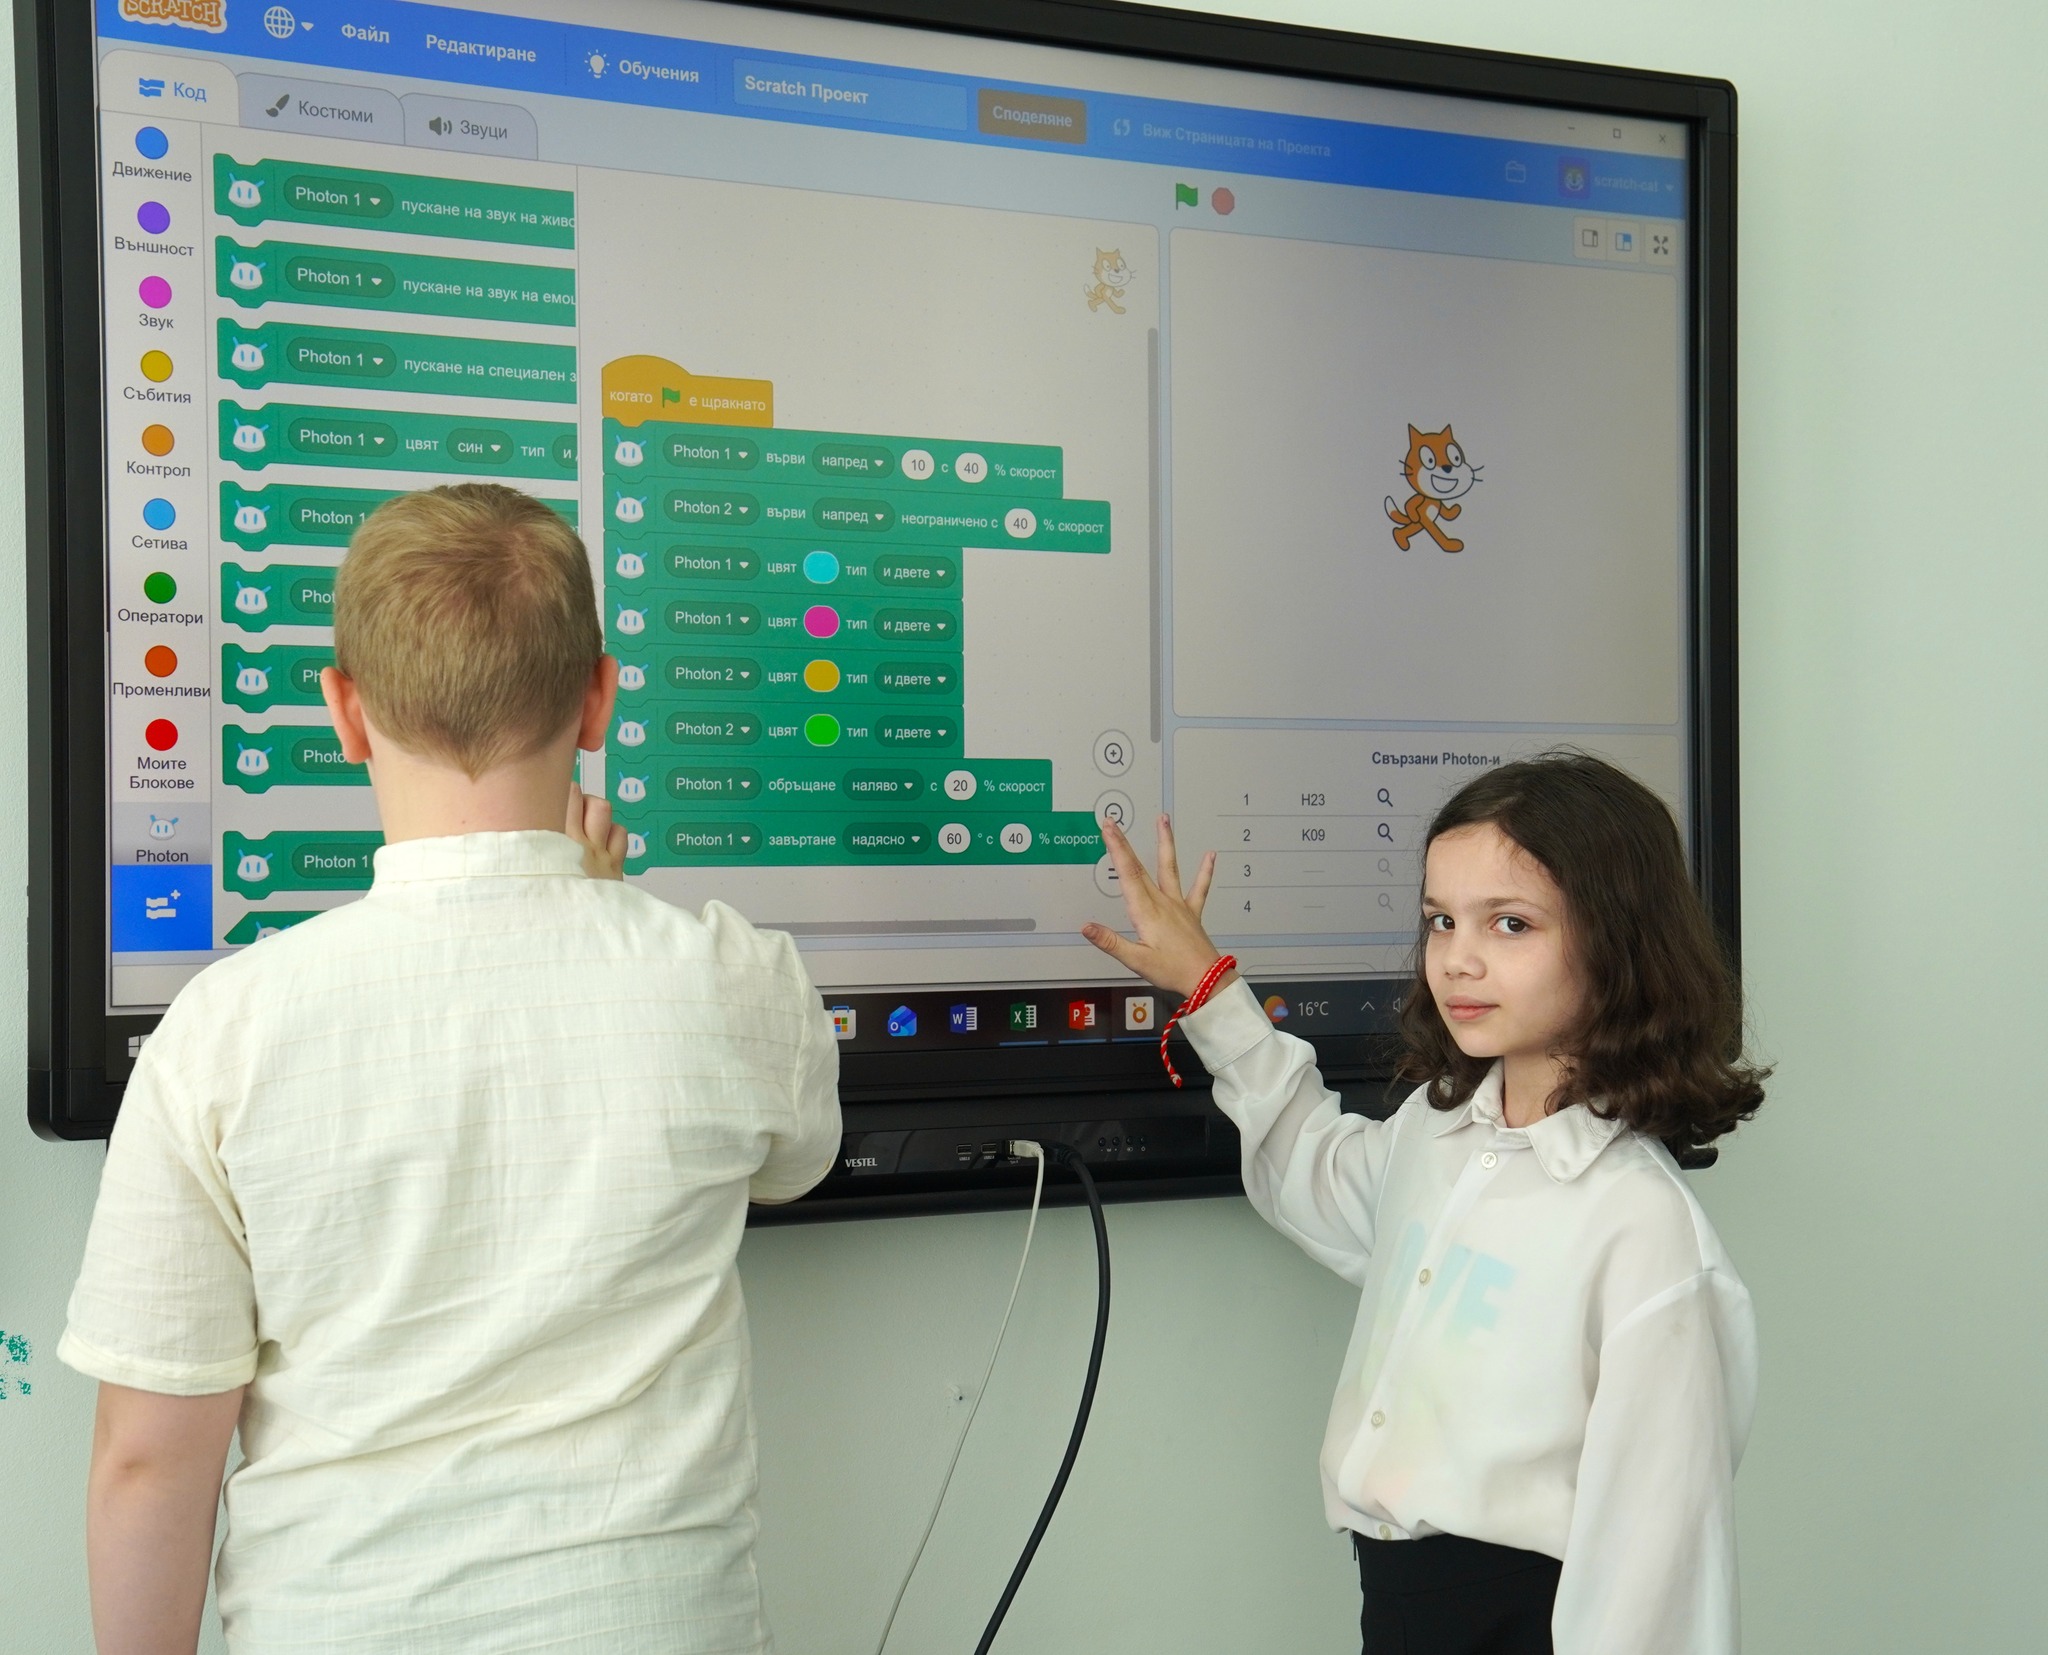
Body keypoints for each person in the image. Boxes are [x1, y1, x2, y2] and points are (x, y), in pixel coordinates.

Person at [62, 484, 842, 1655]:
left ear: (344, 708)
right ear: (598, 696)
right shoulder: (737, 982)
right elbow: (796, 1162)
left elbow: (147, 1457)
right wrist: (605, 907)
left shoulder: (222, 1032)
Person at [1083, 754, 1765, 1655]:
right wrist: (1211, 991)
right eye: (1441, 919)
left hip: (1527, 1619)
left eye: (1510, 923)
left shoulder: (1642, 1227)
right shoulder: (1435, 1134)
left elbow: (1658, 1573)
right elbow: (1312, 1169)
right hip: (1402, 1605)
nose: (1458, 958)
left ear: (1619, 943)